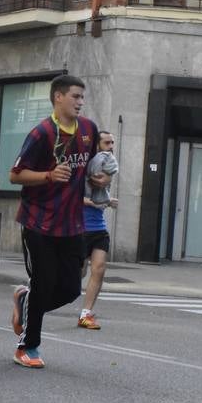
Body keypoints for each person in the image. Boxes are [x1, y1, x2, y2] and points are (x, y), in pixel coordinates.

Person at [7, 74, 104, 369]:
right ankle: (27, 347)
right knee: (43, 283)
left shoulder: (88, 129)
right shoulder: (42, 134)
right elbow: (15, 175)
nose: (80, 102)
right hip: (39, 222)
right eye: (75, 96)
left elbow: (92, 167)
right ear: (58, 97)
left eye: (82, 97)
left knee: (71, 288)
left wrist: (99, 177)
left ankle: (25, 302)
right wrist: (48, 175)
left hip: (72, 223)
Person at [78, 130, 120, 330]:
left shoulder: (106, 165)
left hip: (99, 228)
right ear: (96, 145)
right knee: (78, 272)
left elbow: (103, 184)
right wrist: (91, 202)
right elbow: (72, 196)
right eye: (106, 143)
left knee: (99, 268)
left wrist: (107, 201)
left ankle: (86, 314)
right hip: (80, 227)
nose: (111, 147)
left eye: (112, 142)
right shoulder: (84, 165)